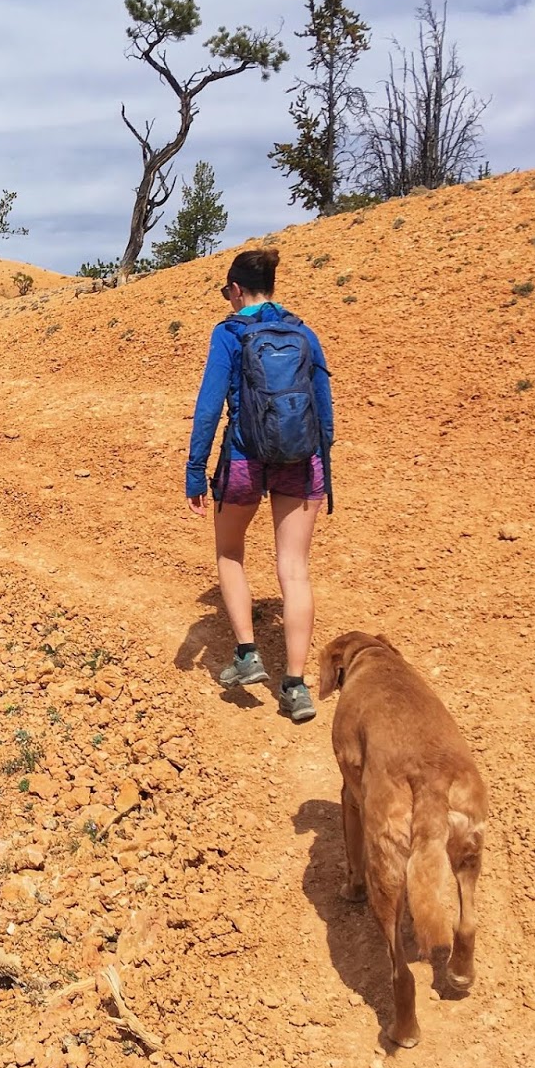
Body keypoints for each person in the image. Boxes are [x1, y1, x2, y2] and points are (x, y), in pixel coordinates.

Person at [185, 247, 333, 724]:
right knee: (294, 569)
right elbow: (323, 410)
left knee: (230, 552)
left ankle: (247, 655)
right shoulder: (303, 333)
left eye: (226, 291)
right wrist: (321, 466)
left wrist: (194, 469)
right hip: (300, 458)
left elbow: (210, 406)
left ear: (235, 289)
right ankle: (295, 686)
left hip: (244, 459)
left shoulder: (229, 334)